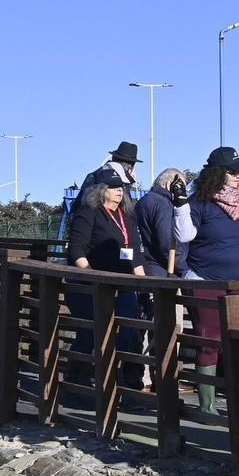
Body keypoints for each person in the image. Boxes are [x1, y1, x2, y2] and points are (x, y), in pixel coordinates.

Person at [178, 146, 239, 418]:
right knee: (210, 342)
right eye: (233, 171)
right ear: (217, 173)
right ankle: (207, 406)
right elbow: (183, 236)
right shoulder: (198, 203)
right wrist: (180, 205)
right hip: (206, 280)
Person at [67, 168, 148, 402]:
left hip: (123, 287)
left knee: (125, 335)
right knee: (90, 334)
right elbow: (76, 249)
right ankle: (75, 384)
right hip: (91, 288)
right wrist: (90, 274)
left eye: (121, 187)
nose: (119, 191)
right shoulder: (88, 213)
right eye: (114, 187)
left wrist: (144, 286)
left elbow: (136, 255)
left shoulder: (127, 216)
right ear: (101, 190)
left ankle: (119, 389)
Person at [135, 168, 190, 278]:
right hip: (162, 272)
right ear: (170, 184)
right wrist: (186, 270)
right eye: (181, 187)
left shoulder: (143, 201)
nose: (184, 193)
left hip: (146, 267)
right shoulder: (164, 205)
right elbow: (168, 244)